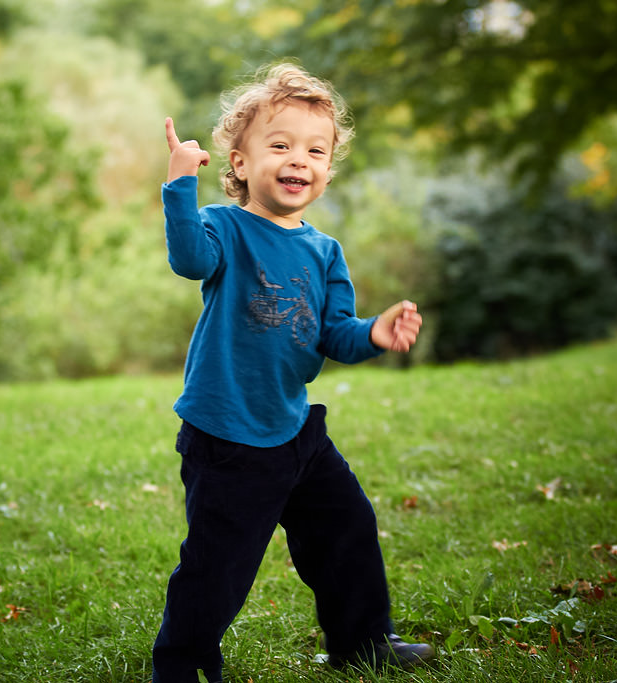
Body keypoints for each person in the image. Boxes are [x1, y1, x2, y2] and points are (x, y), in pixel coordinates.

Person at [151, 63, 435, 683]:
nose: (297, 160)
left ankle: (363, 644)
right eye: (278, 146)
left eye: (314, 149)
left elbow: (336, 332)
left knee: (347, 529)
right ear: (241, 163)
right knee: (219, 564)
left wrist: (374, 334)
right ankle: (182, 666)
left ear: (328, 168)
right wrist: (178, 186)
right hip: (228, 435)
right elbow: (189, 259)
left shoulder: (324, 251)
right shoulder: (225, 227)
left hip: (295, 431)